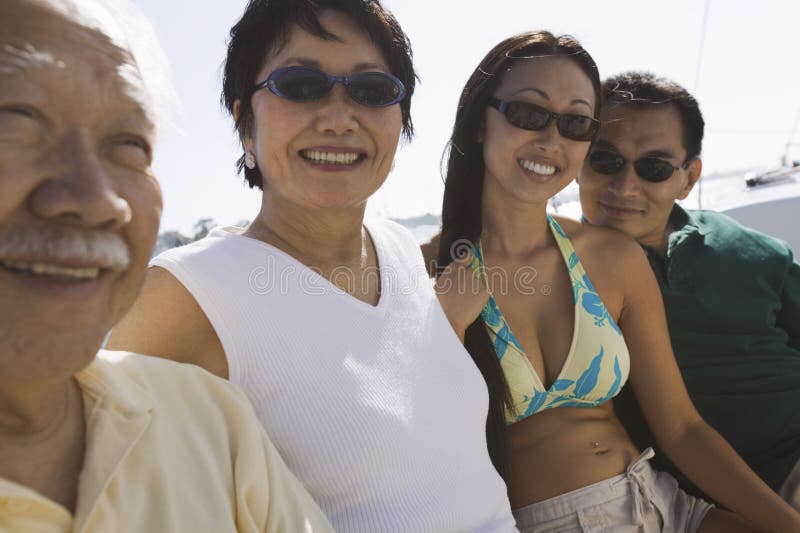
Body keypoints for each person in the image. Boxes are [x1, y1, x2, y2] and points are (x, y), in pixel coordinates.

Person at [107, 0, 516, 530]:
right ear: (244, 123)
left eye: (372, 92)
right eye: (300, 85)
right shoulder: (191, 295)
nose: (339, 118)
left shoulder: (398, 249)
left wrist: (450, 324)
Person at [435, 30, 800, 532]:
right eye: (528, 113)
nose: (550, 140)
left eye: (576, 123)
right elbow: (418, 448)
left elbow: (683, 429)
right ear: (480, 121)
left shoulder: (612, 257)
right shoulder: (425, 273)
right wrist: (448, 326)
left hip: (664, 503)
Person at [0, 1, 335, 531]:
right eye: (14, 119)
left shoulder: (210, 422)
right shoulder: (193, 287)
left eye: (128, 145)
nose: (98, 199)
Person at [577, 70, 800, 511]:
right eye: (605, 161)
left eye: (654, 168)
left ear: (689, 178)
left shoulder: (756, 251)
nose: (625, 186)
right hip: (699, 504)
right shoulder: (555, 270)